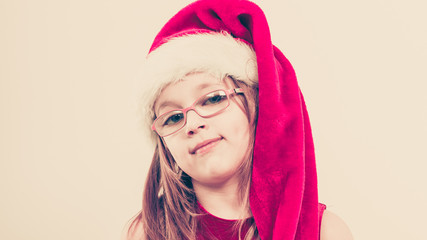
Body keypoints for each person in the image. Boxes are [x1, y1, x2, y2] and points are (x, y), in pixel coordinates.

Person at [125, 0, 353, 239]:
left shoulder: (325, 231)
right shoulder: (147, 232)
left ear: (259, 107)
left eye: (212, 99)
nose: (192, 125)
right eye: (173, 117)